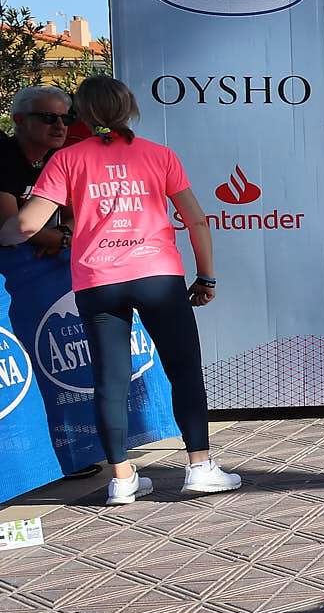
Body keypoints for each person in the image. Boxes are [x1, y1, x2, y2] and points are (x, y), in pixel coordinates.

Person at [0, 76, 239, 505]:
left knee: (109, 380)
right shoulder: (159, 155)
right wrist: (206, 277)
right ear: (129, 108)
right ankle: (200, 467)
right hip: (158, 276)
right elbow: (197, 220)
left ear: (84, 116)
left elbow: (28, 224)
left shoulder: (67, 160)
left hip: (98, 282)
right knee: (184, 371)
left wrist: (5, 233)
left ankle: (123, 479)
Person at [2, 86, 73, 260]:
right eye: (48, 118)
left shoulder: (60, 159)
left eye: (66, 119)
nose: (60, 126)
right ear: (19, 120)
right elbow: (9, 227)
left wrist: (61, 237)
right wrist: (61, 239)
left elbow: (77, 216)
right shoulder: (4, 157)